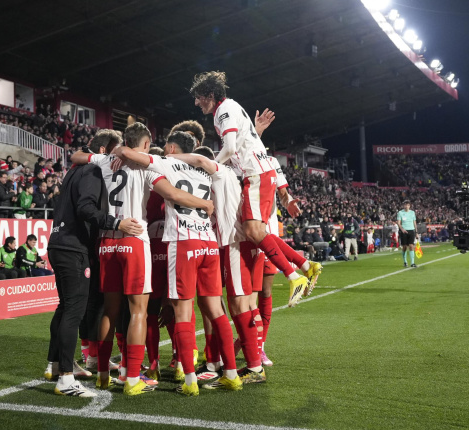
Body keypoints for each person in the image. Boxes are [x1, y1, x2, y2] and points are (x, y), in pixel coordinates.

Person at [71, 122, 214, 396]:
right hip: (135, 240)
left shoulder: (104, 159)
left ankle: (102, 374)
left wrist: (117, 153)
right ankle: (134, 378)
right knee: (138, 311)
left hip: (107, 242)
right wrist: (204, 204)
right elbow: (172, 194)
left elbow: (77, 156)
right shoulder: (146, 167)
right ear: (146, 145)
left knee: (109, 311)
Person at [190, 71, 319, 307]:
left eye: (199, 97)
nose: (196, 103)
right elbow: (246, 145)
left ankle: (295, 275)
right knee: (257, 231)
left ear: (210, 94)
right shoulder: (231, 108)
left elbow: (228, 149)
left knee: (252, 231)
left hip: (256, 175)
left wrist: (208, 170)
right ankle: (304, 265)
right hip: (260, 173)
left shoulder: (224, 110)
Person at [45, 129, 143, 398]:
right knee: (74, 311)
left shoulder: (75, 170)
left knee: (65, 307)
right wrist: (116, 222)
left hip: (59, 242)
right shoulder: (91, 171)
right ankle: (65, 379)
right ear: (102, 153)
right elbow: (86, 207)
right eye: (112, 154)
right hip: (73, 246)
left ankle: (55, 365)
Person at [396, 201, 417, 267]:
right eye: (405, 205)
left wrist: (416, 232)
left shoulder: (412, 212)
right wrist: (402, 229)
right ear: (404, 205)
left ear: (409, 206)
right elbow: (399, 223)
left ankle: (412, 263)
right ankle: (405, 261)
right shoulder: (400, 212)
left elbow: (414, 222)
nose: (406, 206)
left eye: (408, 205)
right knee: (404, 247)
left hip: (411, 230)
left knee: (411, 246)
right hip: (404, 231)